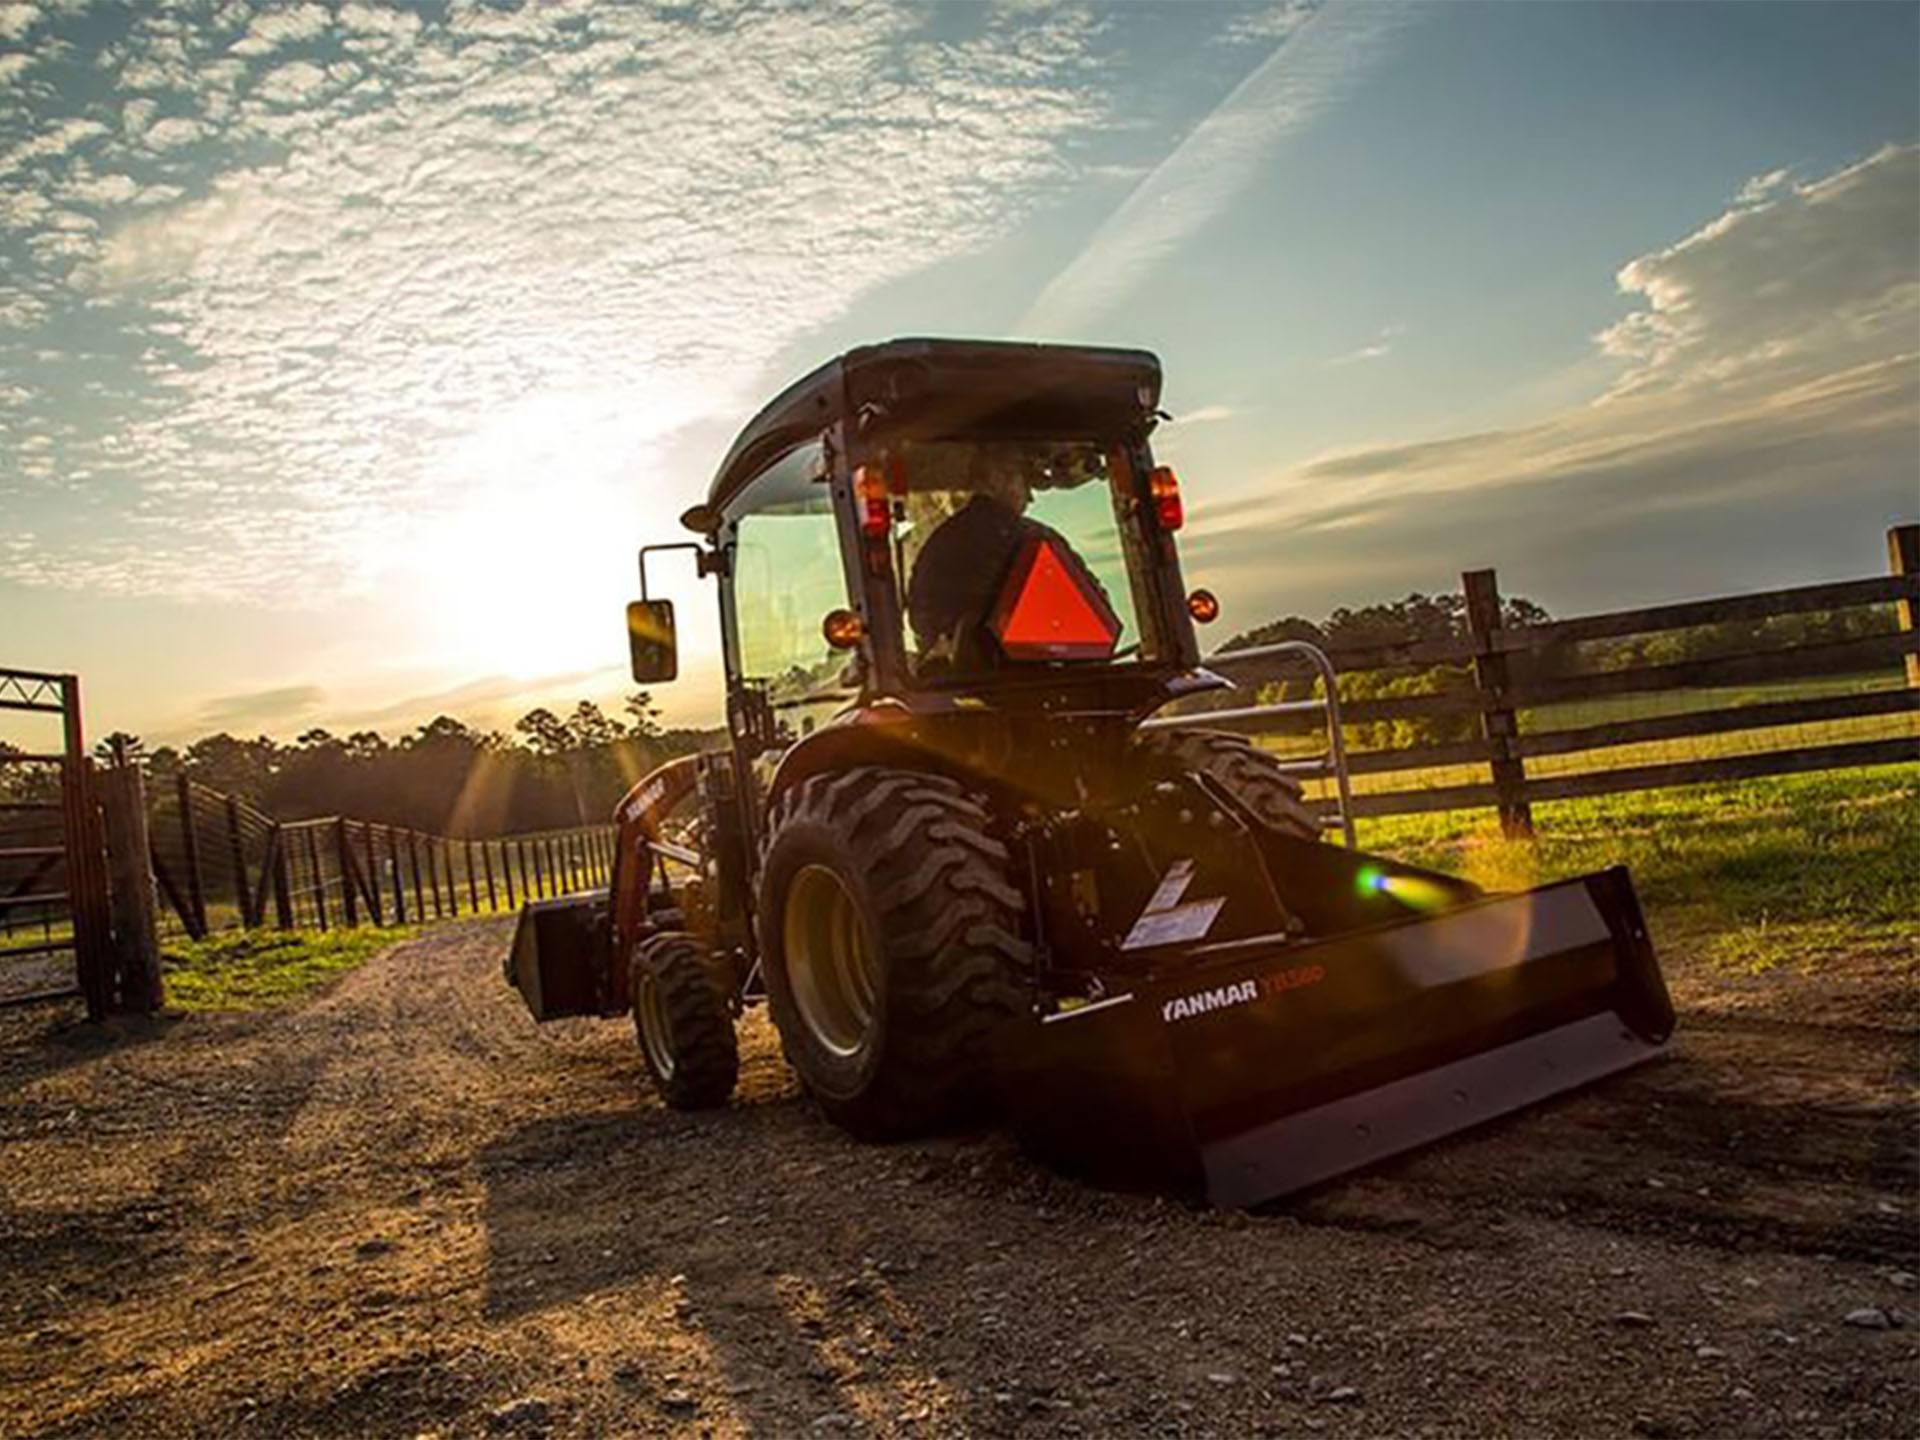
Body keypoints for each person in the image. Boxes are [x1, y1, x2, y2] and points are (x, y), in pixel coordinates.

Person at [905, 446, 1108, 673]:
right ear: (995, 477)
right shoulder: (1032, 539)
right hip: (1033, 683)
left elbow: (923, 624)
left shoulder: (940, 544)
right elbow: (1093, 609)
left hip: (960, 683)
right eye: (1023, 481)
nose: (1030, 498)